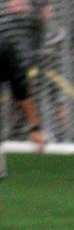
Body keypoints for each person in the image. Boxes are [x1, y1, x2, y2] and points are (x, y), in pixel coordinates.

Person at [0, 32, 47, 166]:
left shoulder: (3, 48)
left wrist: (35, 128)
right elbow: (20, 89)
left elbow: (20, 89)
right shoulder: (4, 47)